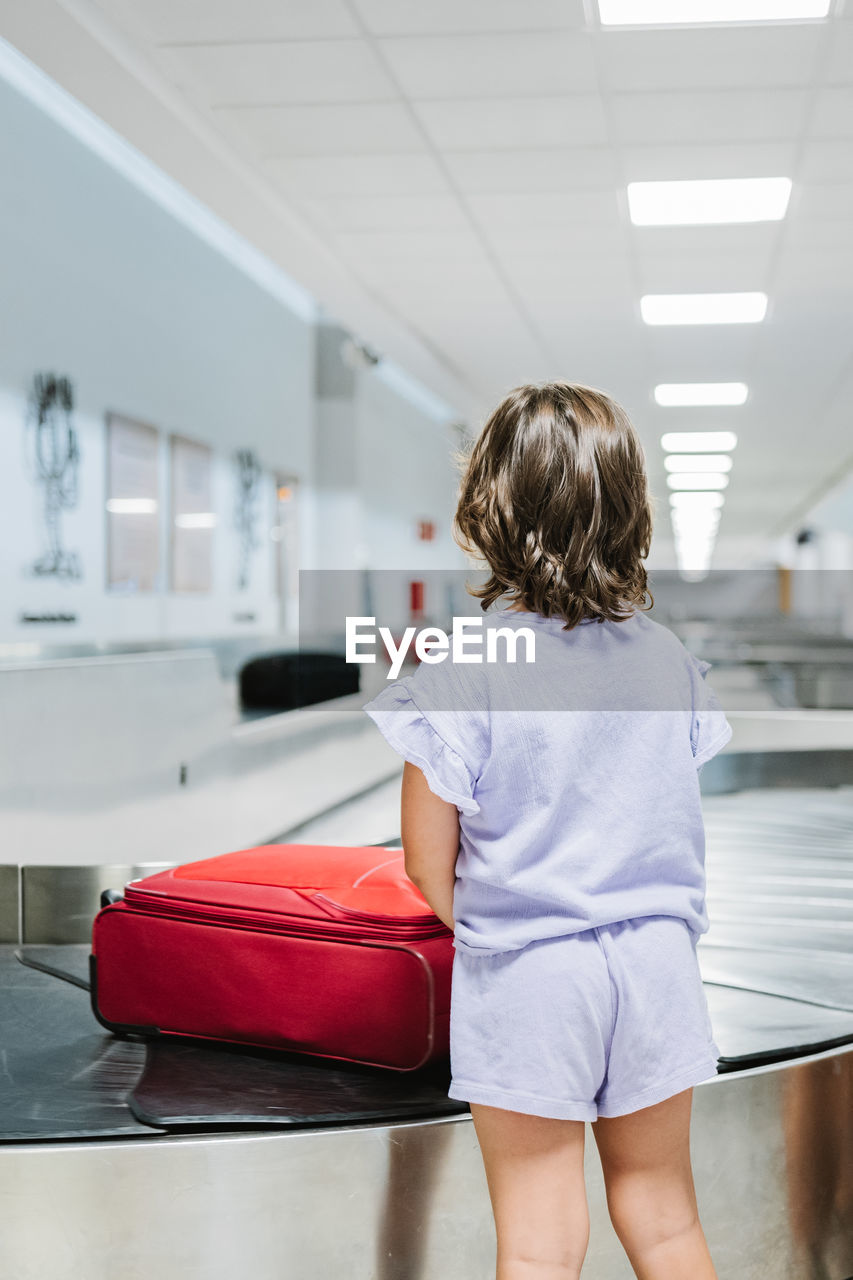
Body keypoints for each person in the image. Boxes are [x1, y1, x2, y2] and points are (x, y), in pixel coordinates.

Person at [364, 382, 731, 1280]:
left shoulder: (466, 667)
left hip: (533, 969)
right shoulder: (666, 659)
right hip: (655, 961)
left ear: (485, 509)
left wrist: (496, 919)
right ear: (629, 509)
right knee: (664, 1215)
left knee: (539, 1238)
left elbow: (425, 861)